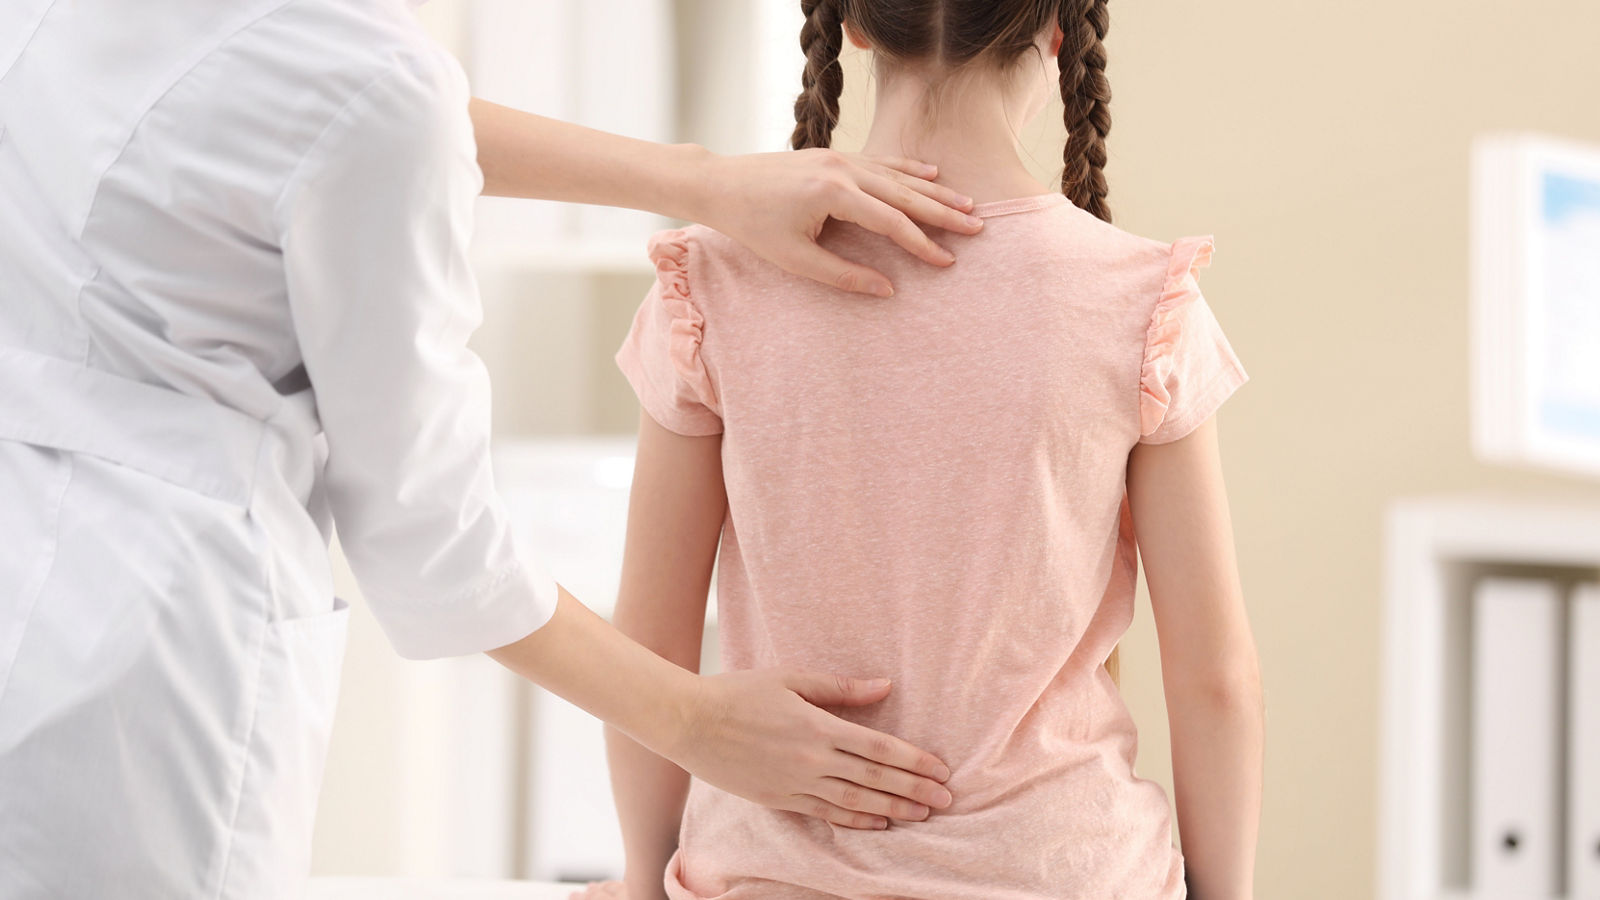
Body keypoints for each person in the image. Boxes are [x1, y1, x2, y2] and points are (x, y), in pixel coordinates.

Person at [0, 0, 984, 896]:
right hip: (146, 672)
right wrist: (697, 726)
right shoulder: (368, 82)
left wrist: (699, 181)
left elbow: (307, 109)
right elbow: (432, 537)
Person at [582, 1, 1266, 898]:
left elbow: (652, 645)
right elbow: (1214, 677)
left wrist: (641, 879)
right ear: (1059, 32)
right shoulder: (1143, 301)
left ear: (852, 27)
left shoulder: (714, 283)